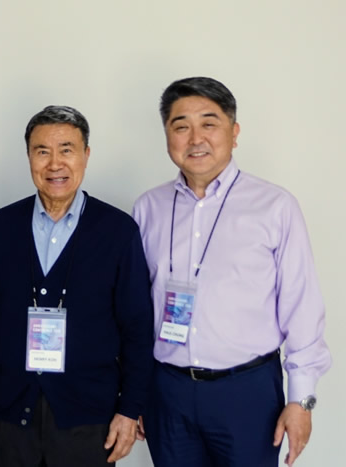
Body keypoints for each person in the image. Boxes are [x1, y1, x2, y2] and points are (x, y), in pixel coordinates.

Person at [132, 76, 331, 467]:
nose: (196, 139)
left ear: (234, 132)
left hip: (247, 392)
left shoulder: (274, 206)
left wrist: (301, 400)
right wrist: (133, 392)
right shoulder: (148, 208)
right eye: (181, 126)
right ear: (167, 135)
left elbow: (302, 307)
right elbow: (133, 309)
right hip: (166, 391)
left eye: (209, 123)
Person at [0, 105, 154, 467]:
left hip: (89, 418)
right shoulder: (0, 228)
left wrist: (130, 409)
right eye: (42, 151)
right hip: (10, 415)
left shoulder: (117, 231)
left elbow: (137, 329)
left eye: (67, 150)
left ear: (86, 155)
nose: (55, 164)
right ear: (29, 156)